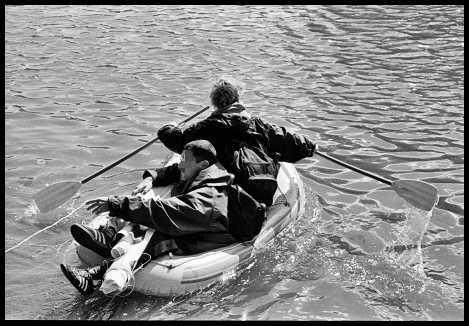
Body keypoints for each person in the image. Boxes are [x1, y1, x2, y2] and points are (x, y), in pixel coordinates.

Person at [60, 140, 240, 295]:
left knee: (154, 232)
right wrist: (150, 178)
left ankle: (96, 277)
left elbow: (171, 212)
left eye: (184, 158)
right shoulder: (199, 170)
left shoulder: (210, 194)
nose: (180, 162)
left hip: (211, 235)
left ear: (202, 164)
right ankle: (110, 236)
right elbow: (169, 172)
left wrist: (119, 204)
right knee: (145, 212)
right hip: (197, 222)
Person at [155, 78, 317, 206]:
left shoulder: (207, 127)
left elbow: (174, 140)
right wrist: (311, 147)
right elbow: (295, 143)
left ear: (214, 103)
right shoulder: (257, 124)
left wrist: (171, 126)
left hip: (229, 190)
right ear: (237, 99)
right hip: (261, 191)